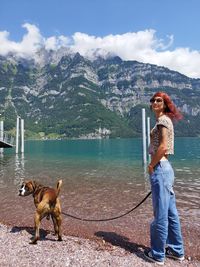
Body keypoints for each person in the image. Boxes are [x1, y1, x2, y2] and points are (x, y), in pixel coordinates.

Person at [144, 91, 184, 265]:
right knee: (170, 213)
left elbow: (162, 147)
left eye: (159, 100)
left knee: (160, 214)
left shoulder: (162, 121)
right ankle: (177, 251)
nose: (155, 102)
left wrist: (151, 165)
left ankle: (158, 254)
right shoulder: (163, 121)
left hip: (161, 168)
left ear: (165, 103)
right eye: (153, 100)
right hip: (166, 169)